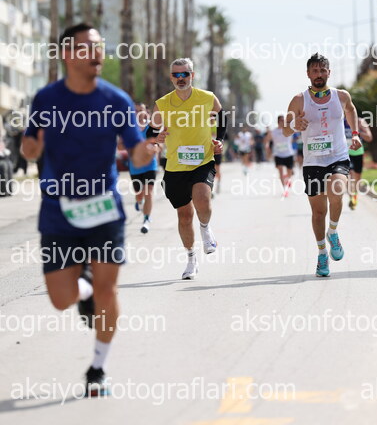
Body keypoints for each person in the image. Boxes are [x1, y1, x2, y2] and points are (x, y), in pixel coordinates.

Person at [21, 24, 158, 396]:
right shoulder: (47, 98)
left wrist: (144, 152)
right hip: (58, 210)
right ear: (67, 54)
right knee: (61, 299)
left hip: (103, 209)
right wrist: (32, 149)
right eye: (87, 47)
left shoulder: (115, 99)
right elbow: (29, 147)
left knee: (107, 290)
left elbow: (135, 147)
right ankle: (83, 289)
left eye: (100, 46)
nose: (97, 53)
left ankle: (98, 368)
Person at [148, 58, 227, 280]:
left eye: (185, 74)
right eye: (176, 75)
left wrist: (219, 140)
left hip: (203, 160)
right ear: (171, 77)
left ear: (192, 75)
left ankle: (205, 228)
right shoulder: (163, 103)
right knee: (184, 216)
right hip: (175, 166)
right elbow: (150, 131)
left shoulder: (207, 97)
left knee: (202, 199)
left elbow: (222, 117)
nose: (181, 78)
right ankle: (191, 259)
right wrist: (157, 137)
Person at [283, 53, 361, 277]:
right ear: (308, 74)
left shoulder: (341, 96)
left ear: (329, 72)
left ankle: (333, 231)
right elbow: (285, 130)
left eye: (322, 70)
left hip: (338, 156)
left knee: (337, 190)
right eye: (315, 71)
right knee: (318, 212)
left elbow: (351, 110)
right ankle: (321, 254)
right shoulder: (299, 100)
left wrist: (355, 133)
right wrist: (294, 125)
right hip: (313, 161)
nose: (319, 74)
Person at [129, 102, 158, 233]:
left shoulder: (151, 127)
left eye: (141, 110)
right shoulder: (130, 128)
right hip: (135, 166)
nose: (138, 113)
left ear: (146, 112)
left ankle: (146, 219)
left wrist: (154, 148)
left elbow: (158, 144)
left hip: (150, 166)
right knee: (139, 195)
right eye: (135, 110)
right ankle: (139, 201)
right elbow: (120, 146)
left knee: (148, 192)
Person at [344, 117, 372, 209]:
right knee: (349, 175)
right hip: (345, 153)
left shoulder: (360, 122)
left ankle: (355, 196)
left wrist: (358, 131)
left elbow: (369, 137)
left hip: (358, 153)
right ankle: (351, 197)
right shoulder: (340, 121)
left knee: (357, 178)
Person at [265, 116, 294, 197]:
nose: (282, 122)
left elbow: (293, 138)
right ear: (278, 122)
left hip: (288, 153)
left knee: (289, 172)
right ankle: (284, 189)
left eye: (283, 120)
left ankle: (288, 178)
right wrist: (267, 146)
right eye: (281, 120)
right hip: (278, 154)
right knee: (280, 170)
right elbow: (267, 140)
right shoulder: (273, 132)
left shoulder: (289, 129)